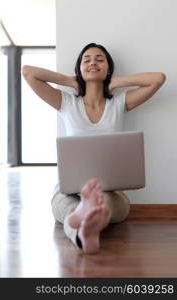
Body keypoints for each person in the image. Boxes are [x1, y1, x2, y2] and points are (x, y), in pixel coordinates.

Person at [22, 43, 166, 254]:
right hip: (68, 192)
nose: (93, 63)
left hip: (109, 192)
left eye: (100, 59)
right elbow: (28, 72)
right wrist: (69, 81)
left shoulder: (118, 103)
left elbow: (158, 78)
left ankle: (87, 222)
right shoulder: (67, 103)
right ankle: (83, 232)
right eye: (86, 60)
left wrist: (115, 82)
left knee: (102, 204)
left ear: (108, 68)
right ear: (79, 68)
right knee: (69, 208)